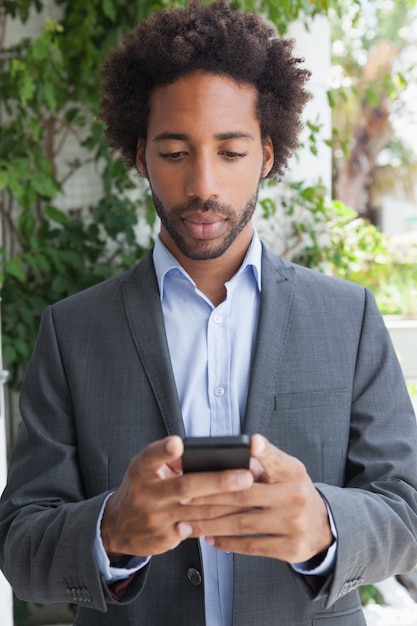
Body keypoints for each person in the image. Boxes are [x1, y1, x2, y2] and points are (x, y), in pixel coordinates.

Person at [1, 1, 417, 624]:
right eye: (174, 153)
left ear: (268, 155)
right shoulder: (72, 332)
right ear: (140, 156)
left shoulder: (349, 317)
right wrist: (109, 528)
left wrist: (326, 528)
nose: (204, 185)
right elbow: (19, 543)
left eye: (230, 151)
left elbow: (406, 510)